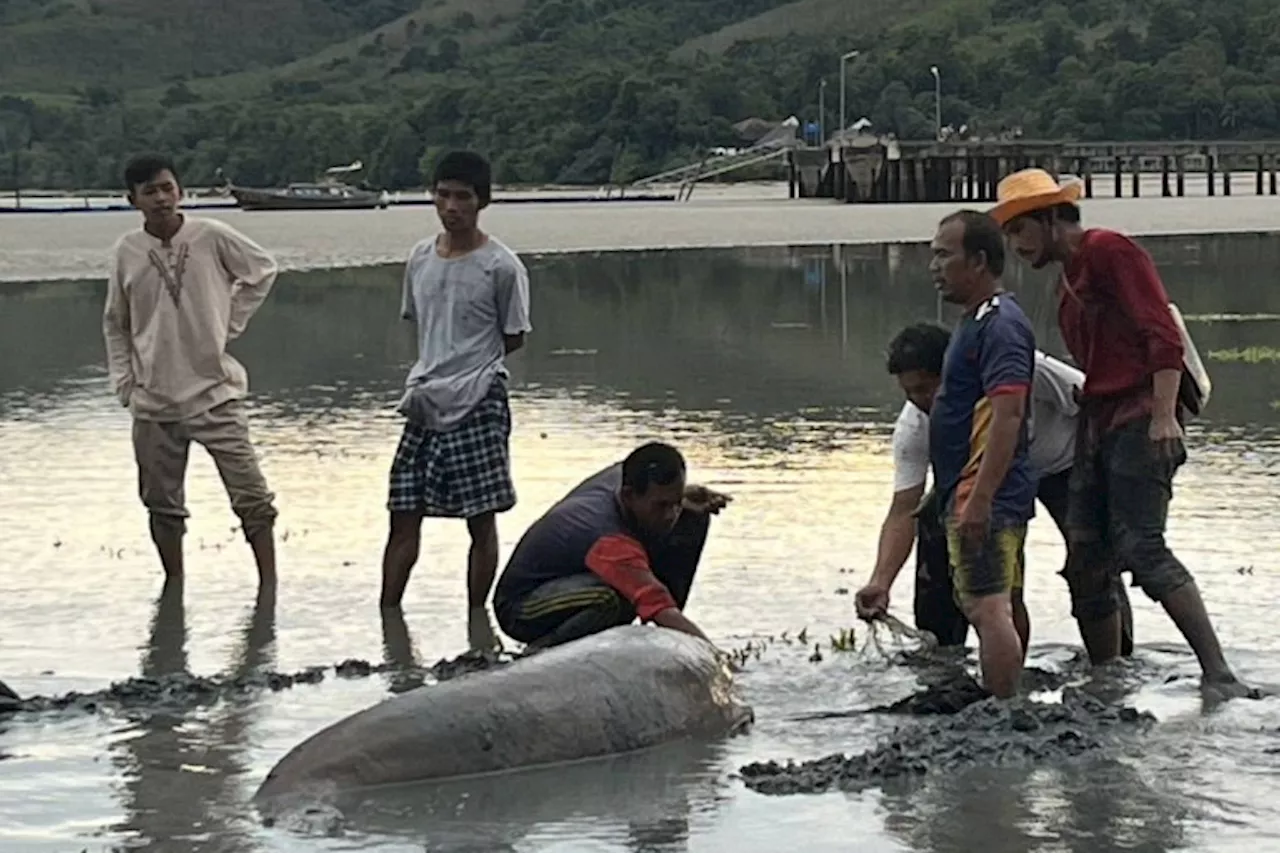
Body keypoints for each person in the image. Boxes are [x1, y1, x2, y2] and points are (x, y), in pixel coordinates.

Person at [992, 168, 1257, 699]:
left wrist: (1163, 416)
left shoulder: (1110, 251)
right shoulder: (1068, 280)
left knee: (1142, 546)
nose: (1015, 244)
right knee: (1086, 559)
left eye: (1021, 230)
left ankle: (1218, 672)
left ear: (1049, 220)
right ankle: (1107, 675)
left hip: (1139, 415)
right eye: (1009, 233)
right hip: (1100, 421)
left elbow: (1160, 334)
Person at [855, 322, 1135, 660]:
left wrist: (1112, 481)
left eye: (927, 389)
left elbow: (1098, 402)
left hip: (1064, 461)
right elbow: (903, 510)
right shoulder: (916, 426)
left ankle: (1115, 663)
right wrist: (880, 581)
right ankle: (946, 658)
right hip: (991, 475)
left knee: (1090, 558)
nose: (921, 402)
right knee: (944, 535)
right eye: (909, 393)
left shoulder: (1018, 367)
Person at [378, 150, 533, 654]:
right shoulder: (421, 257)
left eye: (462, 196)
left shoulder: (501, 266)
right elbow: (419, 322)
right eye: (442, 195)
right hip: (425, 396)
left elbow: (513, 336)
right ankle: (388, 613)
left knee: (480, 515)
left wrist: (472, 368)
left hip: (480, 395)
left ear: (481, 202)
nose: (451, 206)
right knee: (403, 511)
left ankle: (476, 628)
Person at [103, 153, 279, 588]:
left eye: (167, 188)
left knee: (253, 499)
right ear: (133, 200)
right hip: (154, 401)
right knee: (161, 505)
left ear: (180, 190)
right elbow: (116, 323)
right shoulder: (127, 251)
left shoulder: (210, 235)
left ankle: (268, 591)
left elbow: (262, 271)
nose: (161, 199)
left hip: (215, 393)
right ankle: (174, 586)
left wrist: (228, 322)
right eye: (150, 192)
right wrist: (124, 383)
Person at [913, 209, 1039, 699]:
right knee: (1004, 599)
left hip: (983, 492)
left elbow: (1008, 415)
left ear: (980, 260)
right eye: (932, 255)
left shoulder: (1000, 326)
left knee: (986, 607)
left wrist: (980, 498)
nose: (935, 266)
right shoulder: (978, 321)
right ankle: (1013, 695)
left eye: (945, 255)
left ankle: (1003, 706)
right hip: (978, 489)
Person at [492, 442, 730, 651]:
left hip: (578, 579)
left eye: (675, 503)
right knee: (610, 598)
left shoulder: (627, 477)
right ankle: (543, 652)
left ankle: (670, 637)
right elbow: (654, 601)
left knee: (694, 516)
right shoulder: (609, 539)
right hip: (521, 607)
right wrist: (715, 659)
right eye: (661, 506)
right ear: (627, 496)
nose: (671, 515)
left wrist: (685, 499)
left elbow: (659, 496)